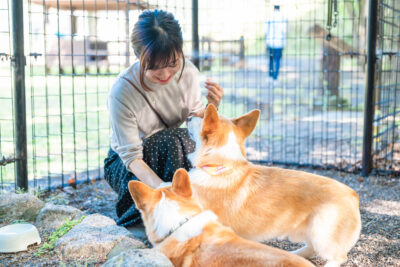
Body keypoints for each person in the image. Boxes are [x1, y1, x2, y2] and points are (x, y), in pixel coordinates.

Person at [104, 9, 223, 227]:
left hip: (169, 151)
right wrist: (164, 192)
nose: (166, 75)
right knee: (171, 140)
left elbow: (194, 126)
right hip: (127, 164)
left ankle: (189, 210)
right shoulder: (122, 91)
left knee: (183, 140)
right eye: (155, 68)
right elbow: (131, 158)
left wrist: (211, 109)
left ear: (180, 50)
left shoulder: (188, 73)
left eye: (172, 63)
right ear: (138, 55)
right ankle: (160, 216)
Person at [265, 5, 288, 80]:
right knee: (277, 60)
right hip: (279, 43)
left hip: (270, 42)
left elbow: (265, 31)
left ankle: (270, 75)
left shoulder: (269, 16)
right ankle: (275, 77)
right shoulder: (283, 17)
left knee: (271, 59)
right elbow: (285, 31)